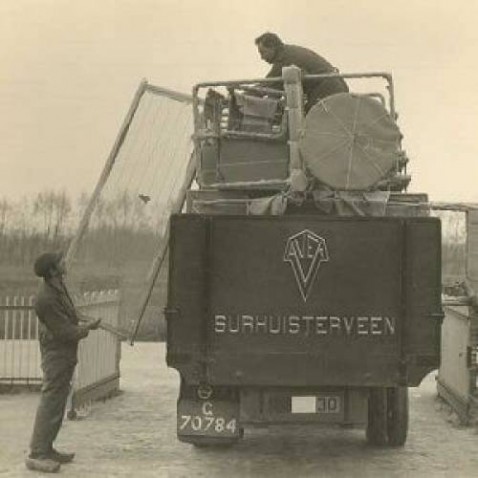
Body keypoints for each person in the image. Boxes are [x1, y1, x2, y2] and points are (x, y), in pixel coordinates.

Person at [25, 251, 101, 473]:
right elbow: (64, 331)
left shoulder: (58, 286)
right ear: (52, 270)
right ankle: (37, 453)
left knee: (58, 401)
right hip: (56, 354)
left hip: (64, 353)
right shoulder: (46, 298)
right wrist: (88, 328)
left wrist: (84, 320)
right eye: (60, 262)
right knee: (51, 401)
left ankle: (47, 448)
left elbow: (70, 313)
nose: (65, 262)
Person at [255, 32, 349, 113]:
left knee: (308, 121)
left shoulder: (284, 59)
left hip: (327, 89)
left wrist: (247, 94)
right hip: (335, 85)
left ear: (272, 47)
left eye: (263, 52)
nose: (262, 57)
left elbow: (268, 85)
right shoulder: (288, 52)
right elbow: (274, 88)